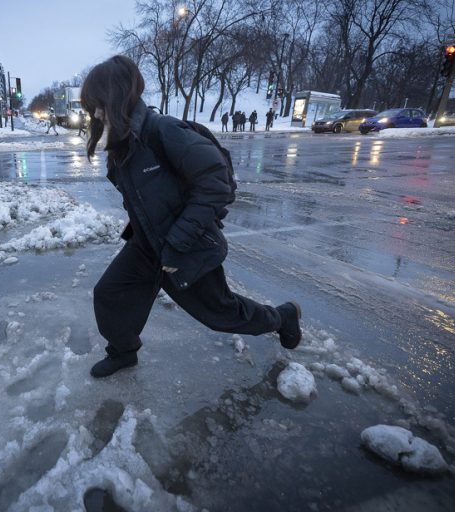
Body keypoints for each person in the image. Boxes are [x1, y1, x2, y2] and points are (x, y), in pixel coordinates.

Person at [80, 55, 302, 378]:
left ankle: (283, 317)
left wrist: (178, 241)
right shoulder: (122, 143)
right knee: (109, 293)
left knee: (221, 313)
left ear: (115, 98)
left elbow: (216, 183)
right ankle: (123, 352)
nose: (95, 113)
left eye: (98, 104)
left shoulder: (163, 131)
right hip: (148, 245)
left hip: (183, 246)